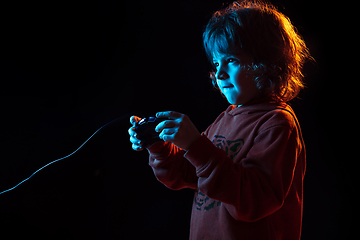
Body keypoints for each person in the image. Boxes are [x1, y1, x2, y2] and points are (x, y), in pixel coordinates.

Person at [128, 0, 311, 239]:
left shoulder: (277, 124)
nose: (220, 73)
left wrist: (195, 145)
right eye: (216, 63)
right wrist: (159, 144)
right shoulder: (226, 117)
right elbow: (189, 173)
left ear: (267, 63)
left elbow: (252, 202)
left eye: (232, 60)